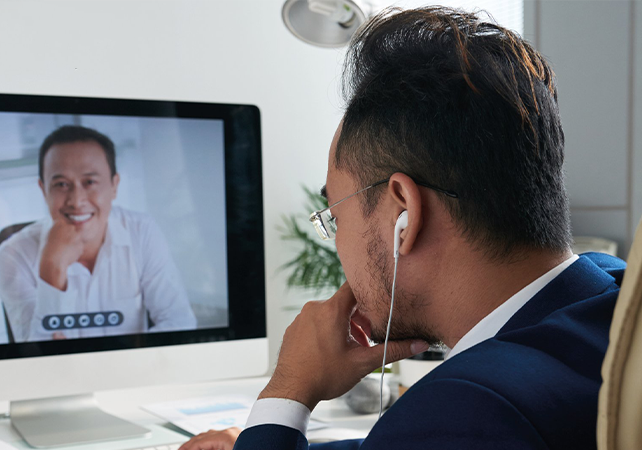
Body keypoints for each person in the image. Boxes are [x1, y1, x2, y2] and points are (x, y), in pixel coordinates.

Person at [179, 7, 625, 450]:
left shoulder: (469, 405)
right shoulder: (612, 293)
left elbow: (455, 426)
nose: (337, 244)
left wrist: (286, 395)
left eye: (337, 215)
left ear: (404, 214)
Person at [0, 125, 197, 342]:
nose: (76, 200)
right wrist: (51, 270)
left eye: (90, 182)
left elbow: (179, 323)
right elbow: (34, 357)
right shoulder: (12, 255)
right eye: (61, 184)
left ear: (114, 186)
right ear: (43, 190)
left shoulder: (141, 231)